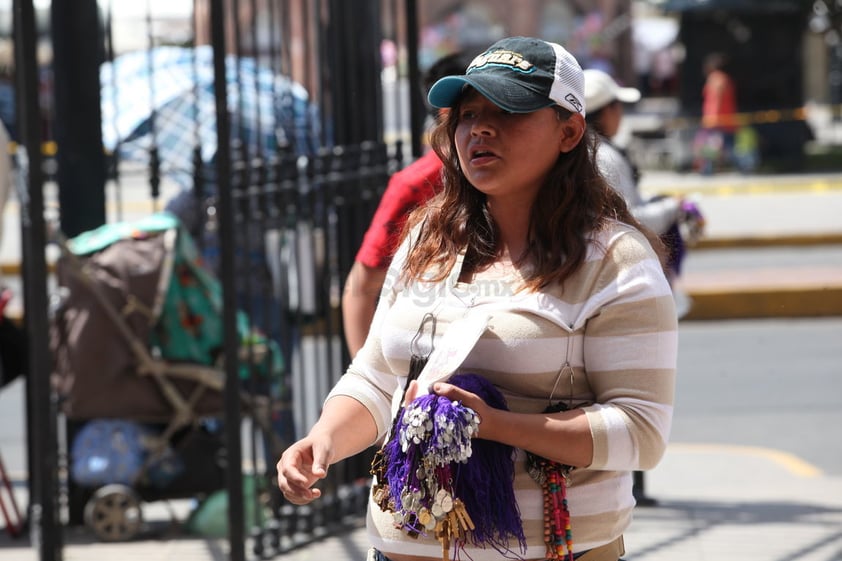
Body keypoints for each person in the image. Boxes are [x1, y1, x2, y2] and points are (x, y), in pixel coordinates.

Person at [278, 36, 677, 561]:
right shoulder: (427, 238)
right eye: (467, 114)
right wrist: (324, 439)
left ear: (570, 130)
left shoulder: (614, 259)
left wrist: (496, 425)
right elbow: (377, 378)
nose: (480, 129)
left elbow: (641, 431)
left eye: (507, 110)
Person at [342, 52, 470, 357]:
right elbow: (360, 288)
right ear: (446, 112)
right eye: (472, 111)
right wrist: (367, 386)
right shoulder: (417, 183)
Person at [697, 52, 738, 174]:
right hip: (723, 120)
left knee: (711, 147)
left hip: (717, 121)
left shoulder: (716, 79)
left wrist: (713, 119)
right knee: (724, 146)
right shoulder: (723, 79)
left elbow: (717, 100)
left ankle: (707, 170)